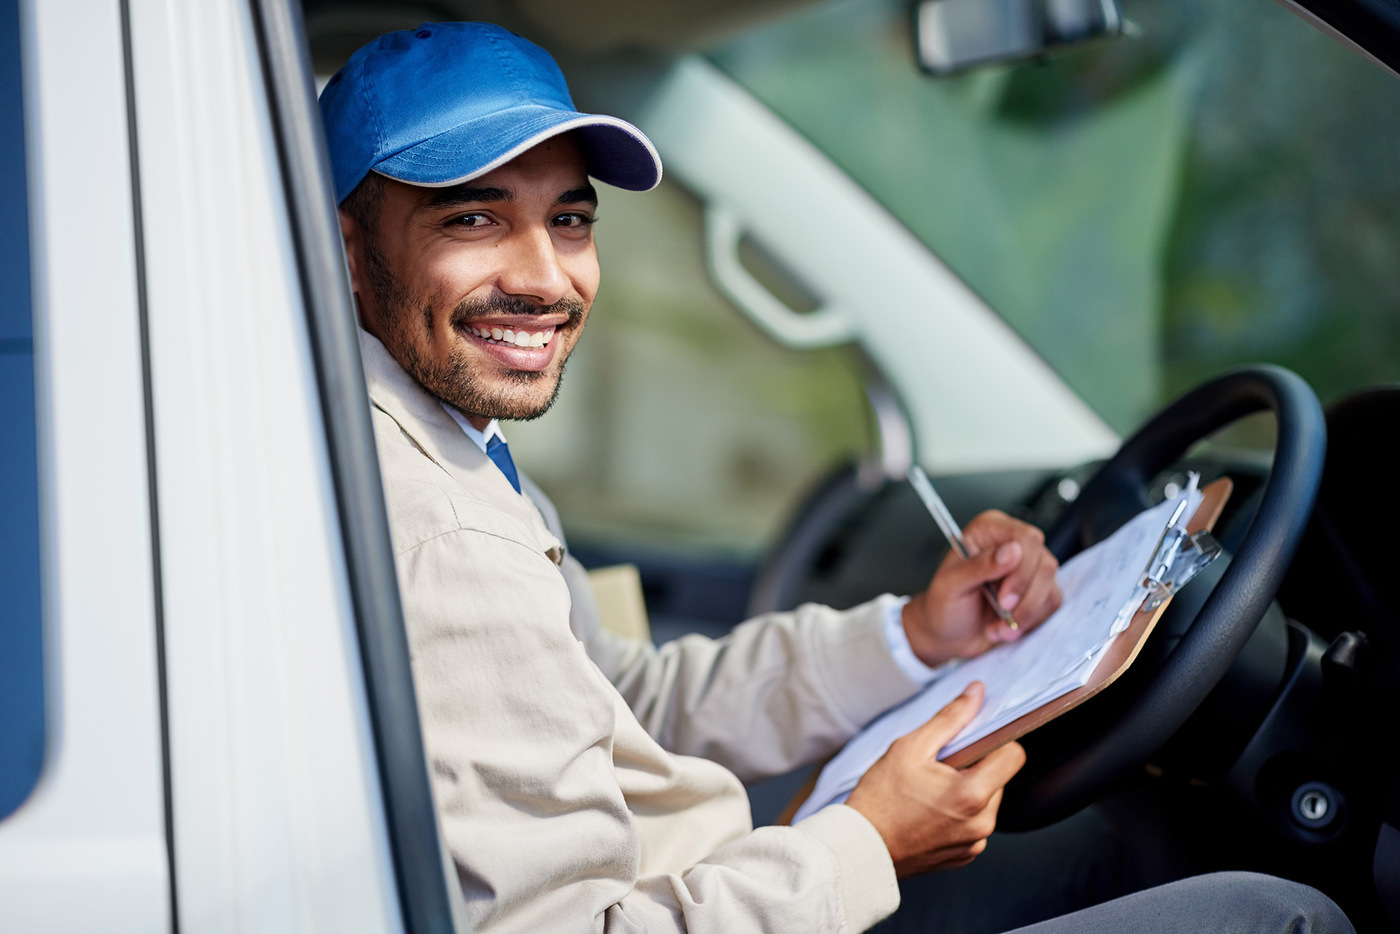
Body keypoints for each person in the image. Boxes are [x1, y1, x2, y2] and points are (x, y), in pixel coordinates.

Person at [320, 21, 1354, 934]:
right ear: (348, 250)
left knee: (1118, 843)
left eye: (571, 219)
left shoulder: (438, 443)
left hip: (711, 878)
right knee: (1280, 914)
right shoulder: (439, 535)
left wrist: (911, 636)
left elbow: (625, 702)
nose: (546, 276)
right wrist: (867, 843)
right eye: (471, 218)